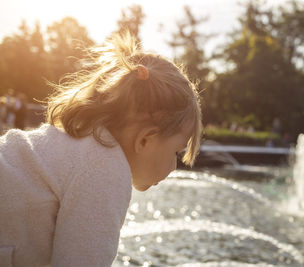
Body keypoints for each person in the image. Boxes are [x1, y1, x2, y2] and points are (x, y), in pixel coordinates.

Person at [0, 32, 202, 267]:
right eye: (176, 153)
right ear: (146, 140)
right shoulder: (106, 169)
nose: (174, 167)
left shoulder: (76, 141)